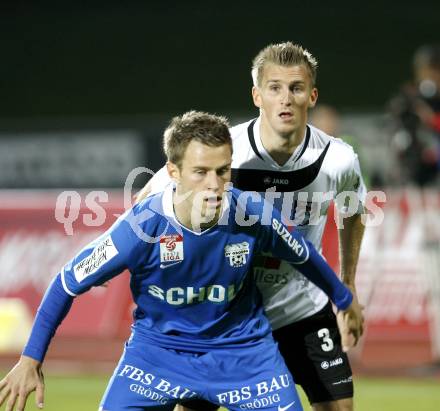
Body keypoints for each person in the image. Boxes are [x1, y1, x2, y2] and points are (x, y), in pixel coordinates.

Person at [0, 111, 362, 411]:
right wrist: (31, 360)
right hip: (156, 358)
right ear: (172, 173)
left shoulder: (252, 214)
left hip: (245, 357)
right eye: (200, 172)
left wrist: (344, 299)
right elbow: (66, 282)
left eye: (223, 171)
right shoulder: (140, 228)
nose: (214, 184)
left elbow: (304, 255)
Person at [137, 42, 367, 411]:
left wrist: (349, 283)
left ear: (312, 95)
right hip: (226, 316)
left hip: (301, 310)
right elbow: (146, 203)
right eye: (274, 88)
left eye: (296, 88)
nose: (286, 99)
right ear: (257, 95)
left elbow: (353, 212)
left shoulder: (337, 159)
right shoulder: (224, 151)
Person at [388, 44, 440, 186]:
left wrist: (431, 119)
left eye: (433, 70)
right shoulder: (409, 95)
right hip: (414, 167)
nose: (428, 76)